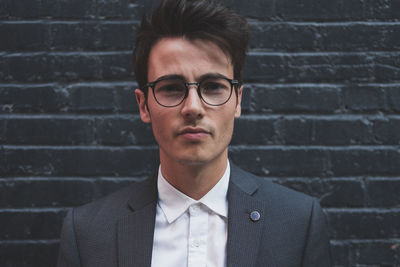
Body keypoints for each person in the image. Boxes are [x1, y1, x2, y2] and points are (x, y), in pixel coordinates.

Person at [57, 0, 332, 266]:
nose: (193, 107)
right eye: (171, 87)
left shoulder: (298, 224)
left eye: (212, 86)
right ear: (143, 105)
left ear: (238, 100)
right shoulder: (88, 233)